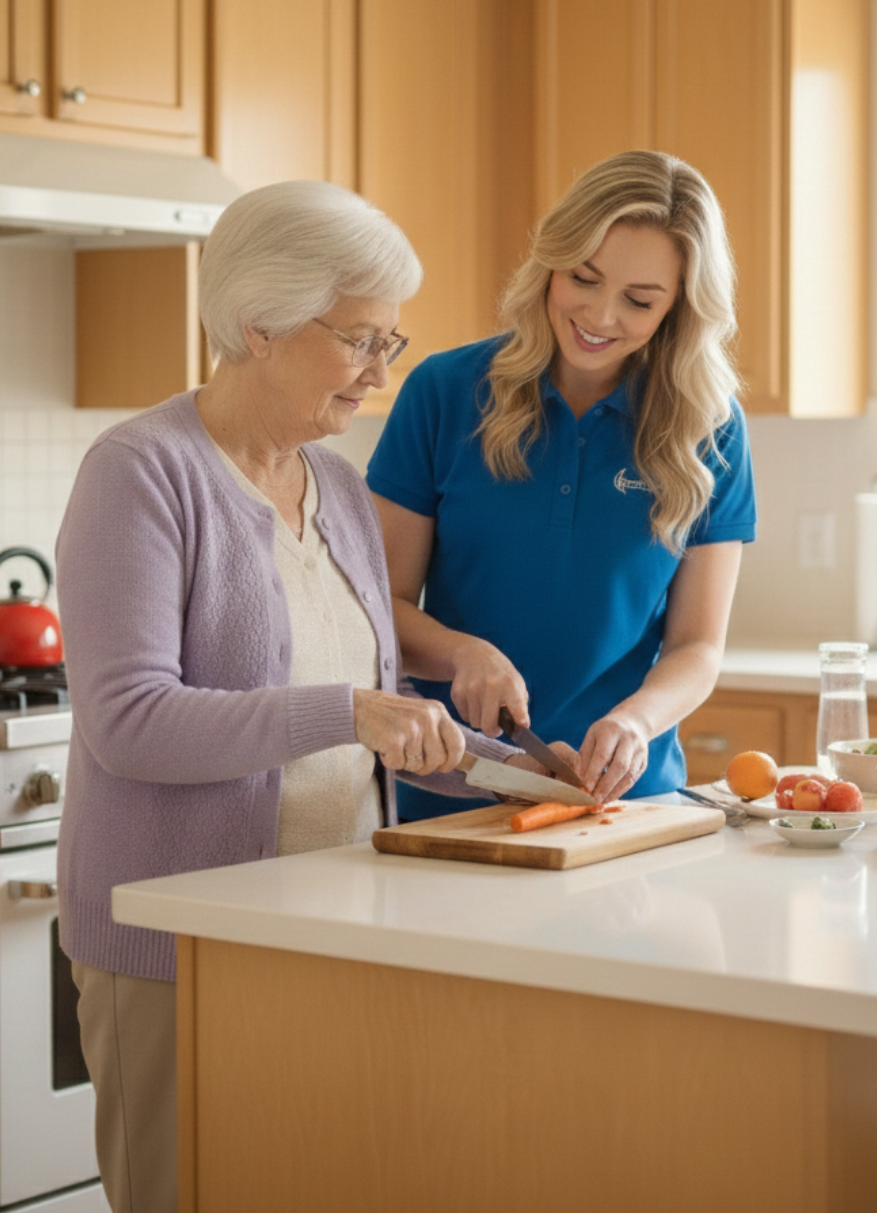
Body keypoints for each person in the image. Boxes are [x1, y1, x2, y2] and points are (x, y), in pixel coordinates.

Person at [56, 180, 517, 1213]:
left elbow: (379, 704)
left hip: (331, 926)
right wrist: (345, 708)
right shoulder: (141, 473)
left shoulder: (338, 487)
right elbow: (127, 721)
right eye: (359, 338)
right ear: (258, 323)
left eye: (391, 342)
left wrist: (538, 769)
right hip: (180, 946)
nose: (378, 371)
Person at [367, 150, 757, 823]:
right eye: (584, 277)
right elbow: (380, 607)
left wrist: (636, 722)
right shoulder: (444, 393)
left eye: (639, 300)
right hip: (451, 793)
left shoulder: (710, 428)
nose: (601, 316)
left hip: (626, 806)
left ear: (678, 310)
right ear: (551, 260)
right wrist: (464, 652)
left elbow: (698, 646)